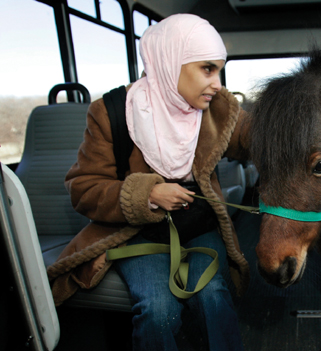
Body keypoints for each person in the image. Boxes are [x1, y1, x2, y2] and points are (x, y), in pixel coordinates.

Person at [46, 14, 250, 351]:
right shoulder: (111, 110)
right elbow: (83, 188)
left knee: (213, 296)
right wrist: (148, 194)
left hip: (201, 228)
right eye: (207, 69)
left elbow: (258, 138)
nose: (217, 83)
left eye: (219, 70)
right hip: (136, 232)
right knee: (157, 310)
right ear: (171, 62)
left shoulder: (218, 109)